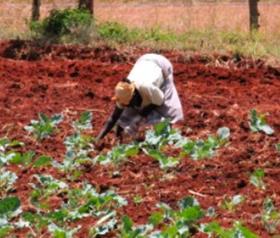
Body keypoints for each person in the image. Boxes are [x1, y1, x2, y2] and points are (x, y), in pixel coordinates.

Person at [96, 53, 184, 142]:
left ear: (133, 96)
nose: (128, 106)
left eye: (129, 104)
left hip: (161, 65)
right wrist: (98, 139)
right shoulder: (124, 92)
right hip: (142, 62)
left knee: (170, 113)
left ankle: (172, 137)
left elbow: (159, 101)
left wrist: (141, 115)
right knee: (125, 115)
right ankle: (120, 140)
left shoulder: (147, 87)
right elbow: (113, 118)